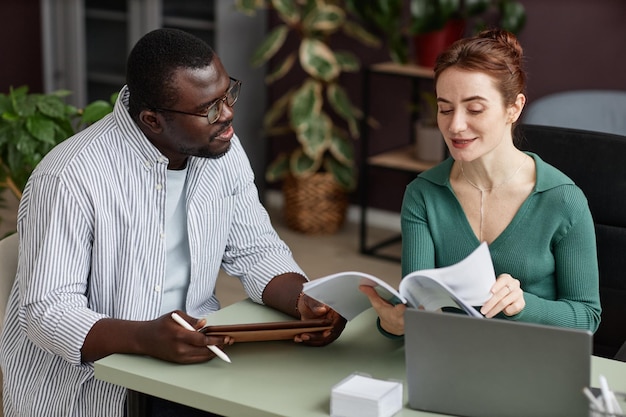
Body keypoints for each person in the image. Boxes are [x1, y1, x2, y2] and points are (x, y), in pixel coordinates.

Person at [0, 28, 346, 417]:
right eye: (209, 109)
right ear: (152, 120)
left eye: (227, 93)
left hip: (197, 359)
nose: (228, 114)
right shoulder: (70, 177)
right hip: (93, 386)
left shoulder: (221, 150)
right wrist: (146, 338)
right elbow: (50, 313)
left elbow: (255, 251)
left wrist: (304, 301)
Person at [360, 28, 601, 338]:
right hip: (450, 353)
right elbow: (418, 300)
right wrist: (392, 323)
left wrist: (523, 305)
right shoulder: (423, 194)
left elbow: (587, 317)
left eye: (474, 109)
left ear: (513, 108)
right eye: (445, 108)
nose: (455, 125)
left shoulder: (564, 201)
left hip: (532, 359)